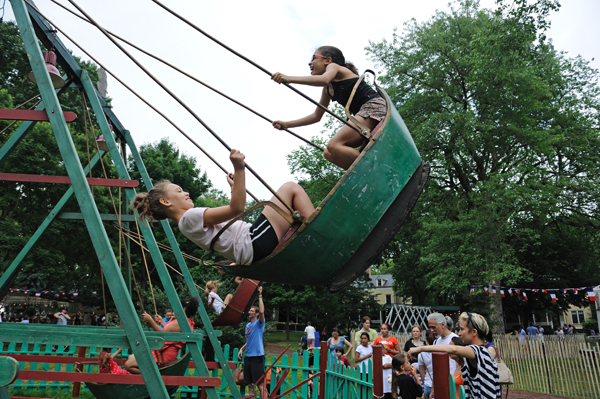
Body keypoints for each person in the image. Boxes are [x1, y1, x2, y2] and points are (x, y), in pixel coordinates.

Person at [131, 150, 315, 266]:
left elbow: (232, 223)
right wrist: (240, 169)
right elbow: (237, 210)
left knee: (288, 202)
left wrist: (234, 189)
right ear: (166, 202)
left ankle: (313, 231)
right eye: (179, 191)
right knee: (290, 188)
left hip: (250, 249)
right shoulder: (189, 217)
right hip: (253, 242)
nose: (186, 192)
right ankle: (319, 233)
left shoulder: (187, 225)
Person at [271, 46, 387, 170]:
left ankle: (377, 169)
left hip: (373, 107)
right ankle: (365, 173)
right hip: (363, 114)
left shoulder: (334, 67)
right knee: (329, 153)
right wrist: (287, 124)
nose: (310, 63)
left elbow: (324, 79)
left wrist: (288, 78)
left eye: (314, 58)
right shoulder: (327, 89)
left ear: (328, 60)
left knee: (334, 145)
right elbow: (316, 116)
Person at [409, 312, 502, 399]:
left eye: (462, 329)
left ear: (474, 332)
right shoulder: (480, 353)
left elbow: (454, 349)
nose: (459, 333)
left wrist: (420, 349)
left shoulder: (479, 351)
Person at [124, 297, 199, 373]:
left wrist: (150, 321)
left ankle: (153, 379)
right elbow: (169, 330)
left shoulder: (181, 322)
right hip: (162, 353)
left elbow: (162, 334)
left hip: (162, 356)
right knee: (130, 357)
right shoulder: (185, 322)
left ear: (184, 309)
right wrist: (161, 321)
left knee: (128, 365)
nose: (174, 310)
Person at [238, 286, 266, 397]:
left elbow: (262, 310)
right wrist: (242, 348)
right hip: (248, 357)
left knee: (260, 385)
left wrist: (260, 295)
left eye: (252, 311)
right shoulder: (248, 325)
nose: (249, 312)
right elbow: (249, 340)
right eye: (249, 310)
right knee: (250, 384)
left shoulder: (259, 324)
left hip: (257, 357)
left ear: (257, 314)